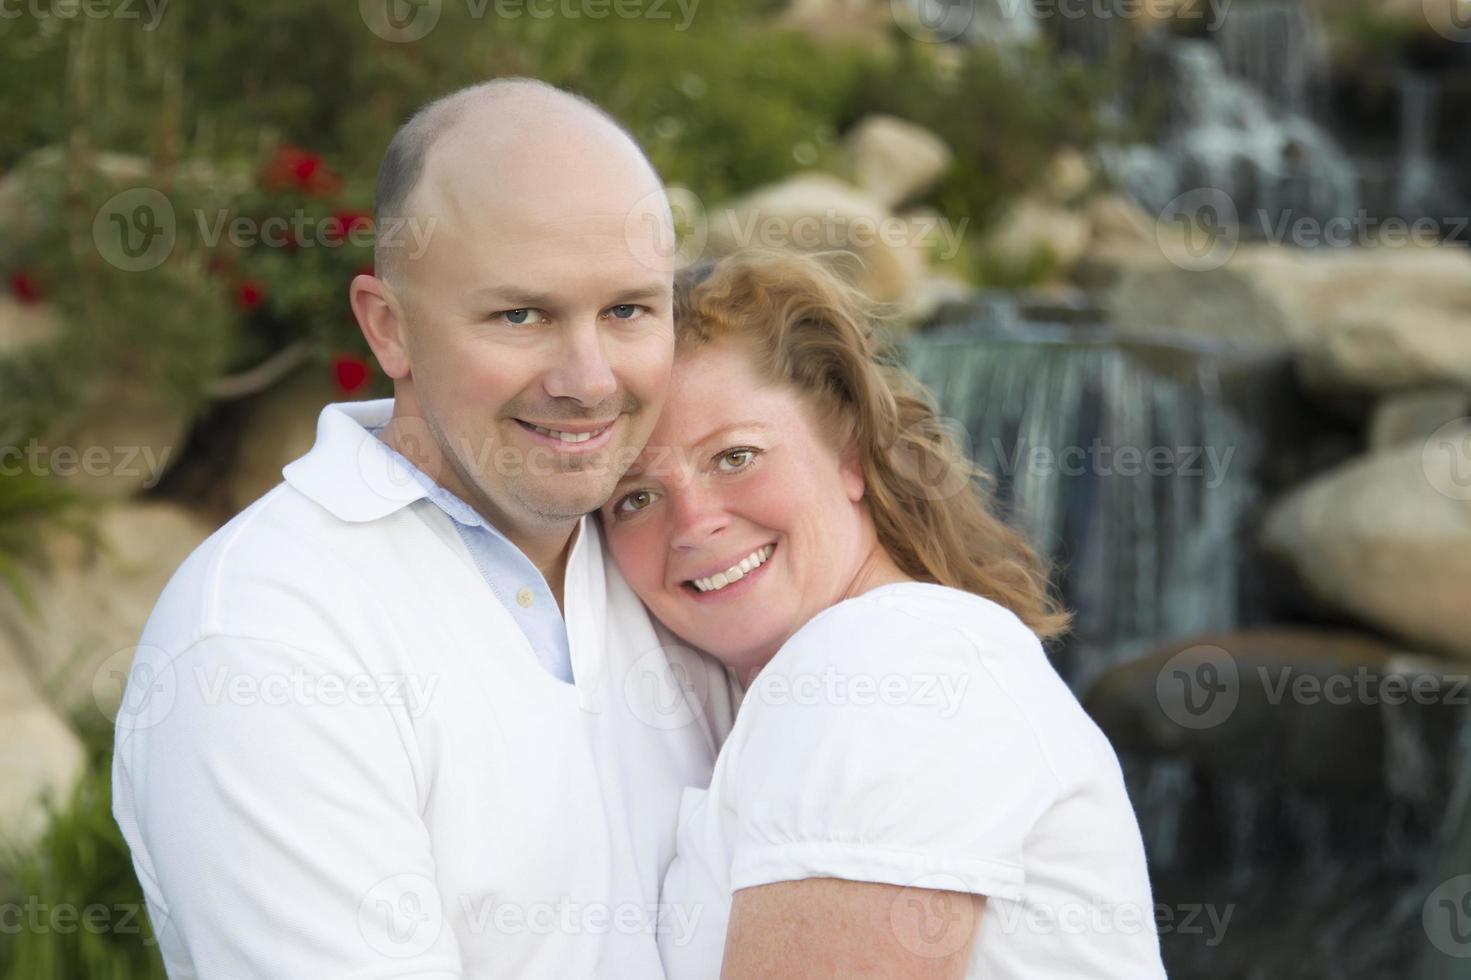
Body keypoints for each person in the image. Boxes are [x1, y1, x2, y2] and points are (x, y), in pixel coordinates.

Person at [112, 78, 736, 979]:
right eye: (520, 314)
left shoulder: (684, 563)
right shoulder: (262, 640)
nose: (589, 379)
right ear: (388, 328)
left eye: (628, 310)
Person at [599, 250, 1169, 979]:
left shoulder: (879, 661)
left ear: (851, 453)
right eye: (634, 498)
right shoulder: (877, 660)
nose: (692, 522)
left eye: (734, 456)